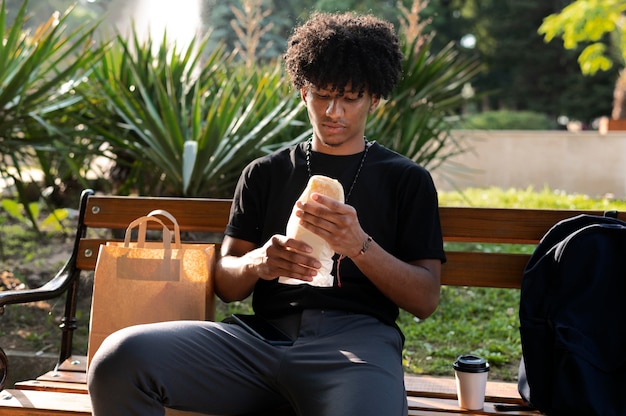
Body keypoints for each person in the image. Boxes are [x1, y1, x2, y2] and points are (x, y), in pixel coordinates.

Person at [88, 11, 446, 416]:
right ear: (301, 92)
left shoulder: (406, 179)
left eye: (350, 98)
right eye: (321, 94)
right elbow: (227, 284)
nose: (333, 111)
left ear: (374, 99)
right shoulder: (265, 173)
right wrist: (260, 261)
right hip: (259, 344)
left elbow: (425, 298)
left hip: (355, 350)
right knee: (119, 359)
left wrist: (359, 246)